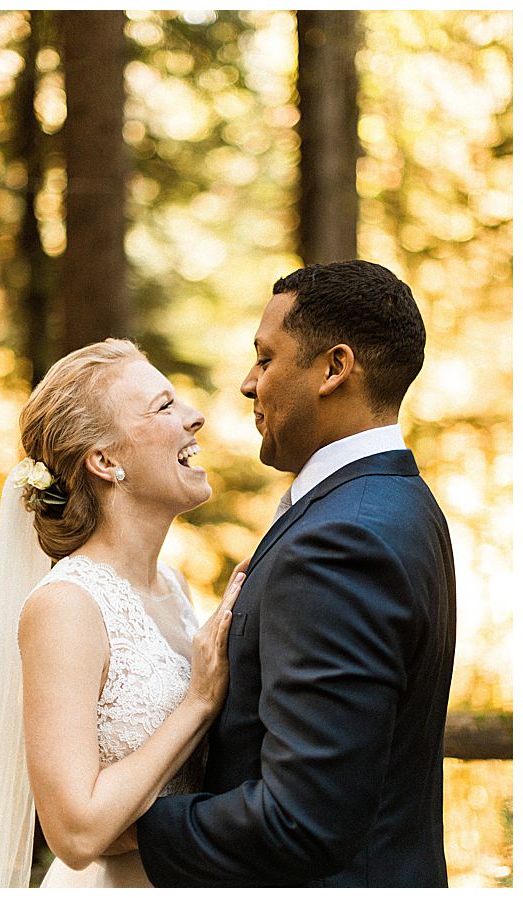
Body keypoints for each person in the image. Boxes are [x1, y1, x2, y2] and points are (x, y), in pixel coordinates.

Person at [135, 260, 457, 886]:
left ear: (335, 369)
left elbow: (302, 819)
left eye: (265, 358)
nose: (247, 384)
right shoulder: (399, 503)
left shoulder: (343, 539)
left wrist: (126, 827)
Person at [0, 338, 247, 887]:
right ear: (105, 460)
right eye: (164, 406)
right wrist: (198, 701)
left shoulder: (173, 586)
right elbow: (74, 835)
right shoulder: (66, 607)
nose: (195, 418)